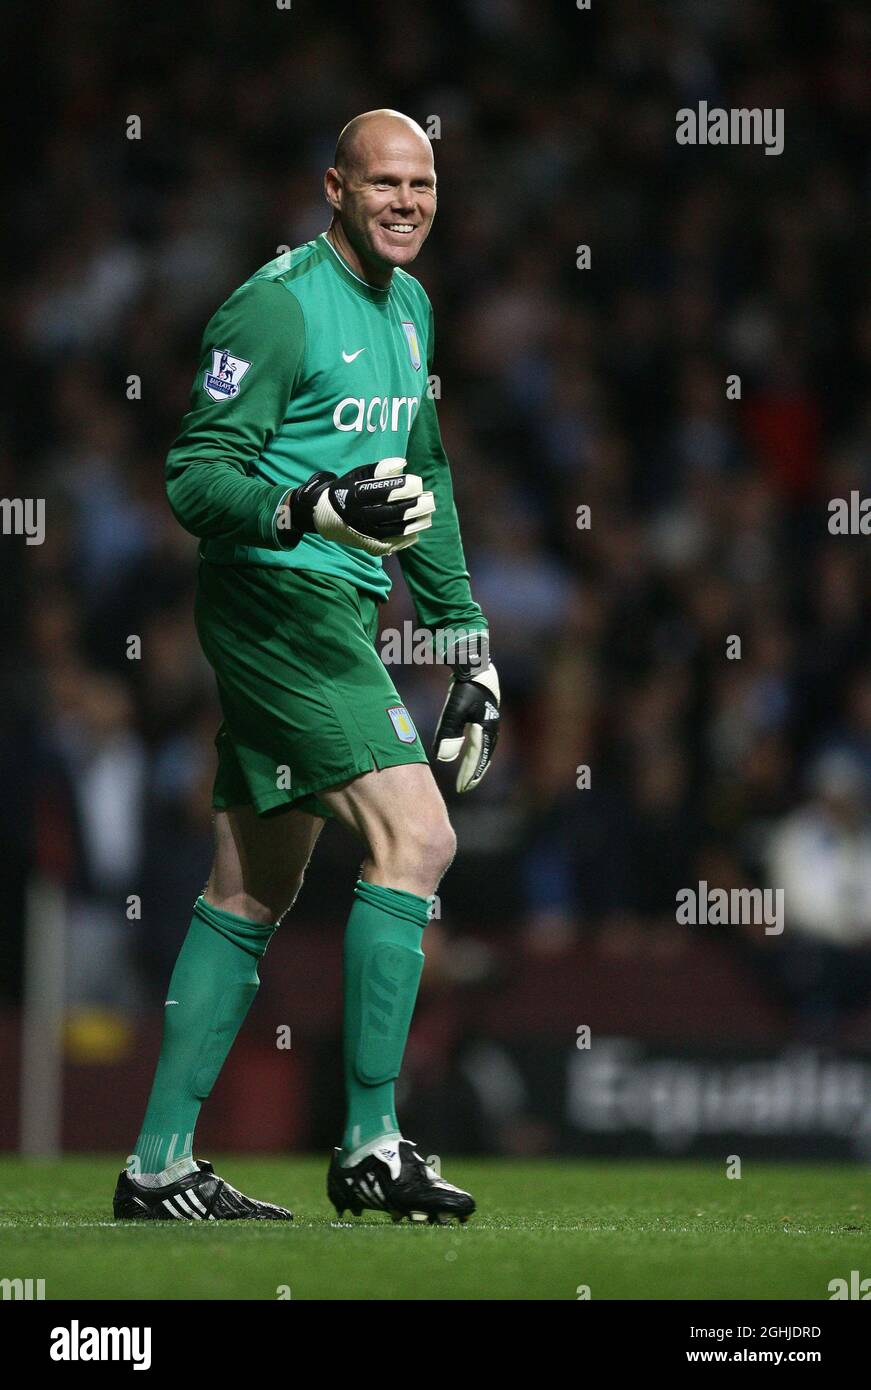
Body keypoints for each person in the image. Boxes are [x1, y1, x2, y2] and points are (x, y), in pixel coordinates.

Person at [113, 110, 500, 1223]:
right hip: (274, 602)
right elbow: (194, 478)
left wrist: (464, 646)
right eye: (382, 182)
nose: (405, 203)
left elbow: (422, 478)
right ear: (333, 186)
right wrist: (307, 503)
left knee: (253, 882)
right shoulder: (275, 306)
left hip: (338, 611)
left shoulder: (413, 307)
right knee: (417, 837)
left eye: (421, 185)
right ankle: (372, 1140)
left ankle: (159, 1166)